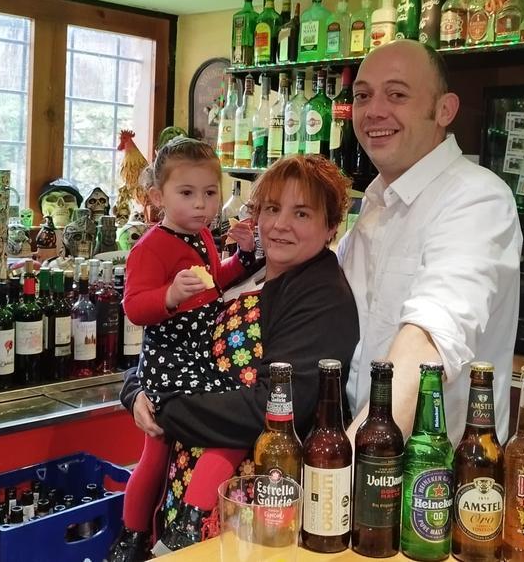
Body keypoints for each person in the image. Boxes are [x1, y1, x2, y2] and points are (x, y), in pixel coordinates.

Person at [118, 155, 360, 557]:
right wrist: (136, 387)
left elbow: (273, 407)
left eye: (301, 213)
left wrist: (164, 407)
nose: (280, 224)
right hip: (186, 490)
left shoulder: (321, 296)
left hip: (249, 505)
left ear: (332, 226)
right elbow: (173, 341)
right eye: (271, 208)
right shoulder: (254, 269)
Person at [340, 39, 522, 445]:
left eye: (397, 94)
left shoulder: (476, 198)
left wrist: (343, 471)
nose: (374, 111)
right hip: (363, 455)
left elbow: (430, 336)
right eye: (363, 96)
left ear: (444, 110)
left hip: (436, 485)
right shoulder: (373, 205)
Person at [107, 137, 256, 562]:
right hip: (172, 357)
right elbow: (134, 308)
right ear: (159, 196)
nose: (201, 205)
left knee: (155, 449)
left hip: (192, 352)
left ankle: (132, 541)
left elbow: (213, 281)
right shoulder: (149, 248)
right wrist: (169, 295)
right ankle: (186, 527)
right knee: (230, 429)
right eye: (186, 194)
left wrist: (243, 259)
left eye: (210, 193)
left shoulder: (203, 235)